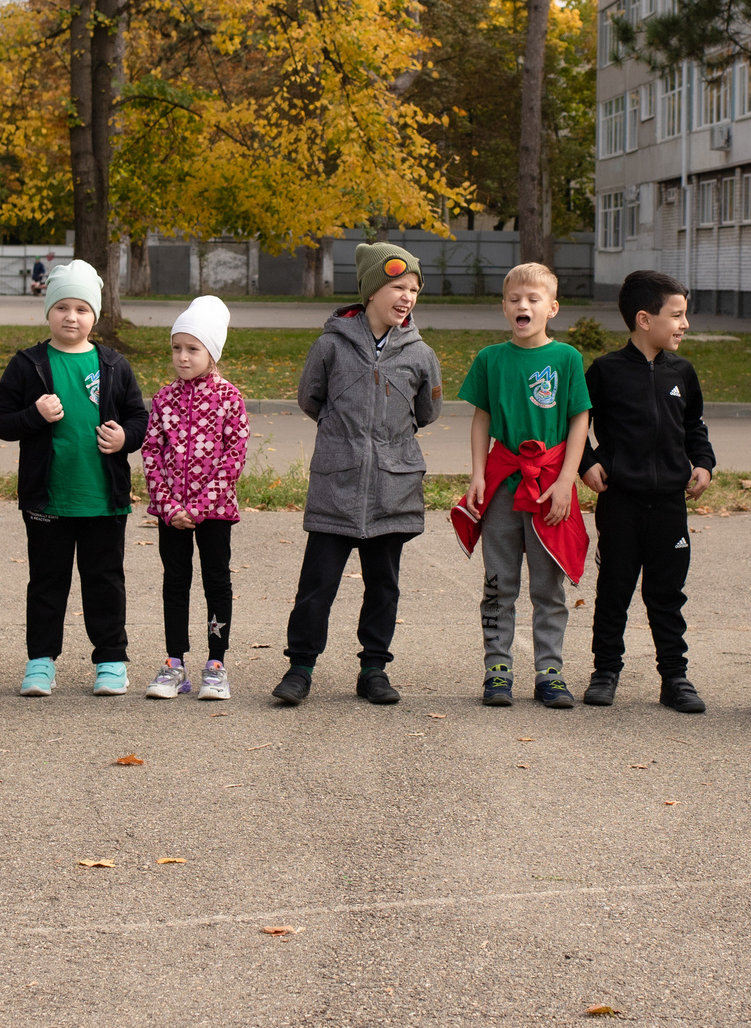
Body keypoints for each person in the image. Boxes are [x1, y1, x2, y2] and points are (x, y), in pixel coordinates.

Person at [274, 242, 442, 707]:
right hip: (337, 484)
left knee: (383, 585)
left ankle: (373, 670)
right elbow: (312, 399)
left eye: (413, 289)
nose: (406, 297)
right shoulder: (330, 345)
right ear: (371, 290)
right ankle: (300, 667)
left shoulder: (420, 353)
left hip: (393, 486)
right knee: (317, 585)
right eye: (396, 286)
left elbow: (427, 411)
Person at [0, 259, 147, 698]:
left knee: (105, 582)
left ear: (94, 315)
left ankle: (112, 660)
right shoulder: (28, 364)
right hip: (48, 500)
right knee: (46, 582)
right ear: (48, 311)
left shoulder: (114, 364)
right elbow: (0, 421)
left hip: (103, 498)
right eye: (62, 307)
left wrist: (125, 439)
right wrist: (33, 416)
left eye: (81, 308)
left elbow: (139, 417)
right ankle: (41, 662)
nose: (71, 317)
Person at [450, 263, 591, 708]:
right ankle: (498, 670)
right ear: (504, 307)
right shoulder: (490, 358)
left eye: (532, 299)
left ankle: (550, 672)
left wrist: (567, 480)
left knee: (548, 587)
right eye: (514, 299)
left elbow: (579, 419)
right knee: (499, 582)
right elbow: (482, 420)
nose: (522, 306)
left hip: (550, 486)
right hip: (503, 486)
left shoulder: (566, 358)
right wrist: (477, 473)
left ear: (552, 308)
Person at [577, 267, 713, 713]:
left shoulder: (683, 372)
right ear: (644, 319)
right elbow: (576, 426)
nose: (685, 324)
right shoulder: (606, 371)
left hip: (670, 505)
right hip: (621, 503)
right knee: (614, 589)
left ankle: (675, 678)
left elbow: (694, 427)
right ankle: (605, 672)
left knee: (667, 595)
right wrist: (587, 463)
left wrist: (704, 464)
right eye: (676, 315)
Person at [142, 295, 246, 701]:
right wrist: (170, 506)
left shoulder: (229, 399)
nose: (182, 357)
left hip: (214, 514)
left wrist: (200, 508)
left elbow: (233, 456)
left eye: (192, 349)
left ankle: (216, 664)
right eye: (176, 348)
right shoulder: (164, 399)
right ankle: (174, 663)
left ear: (212, 352)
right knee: (175, 581)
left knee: (216, 581)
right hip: (172, 514)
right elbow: (151, 451)